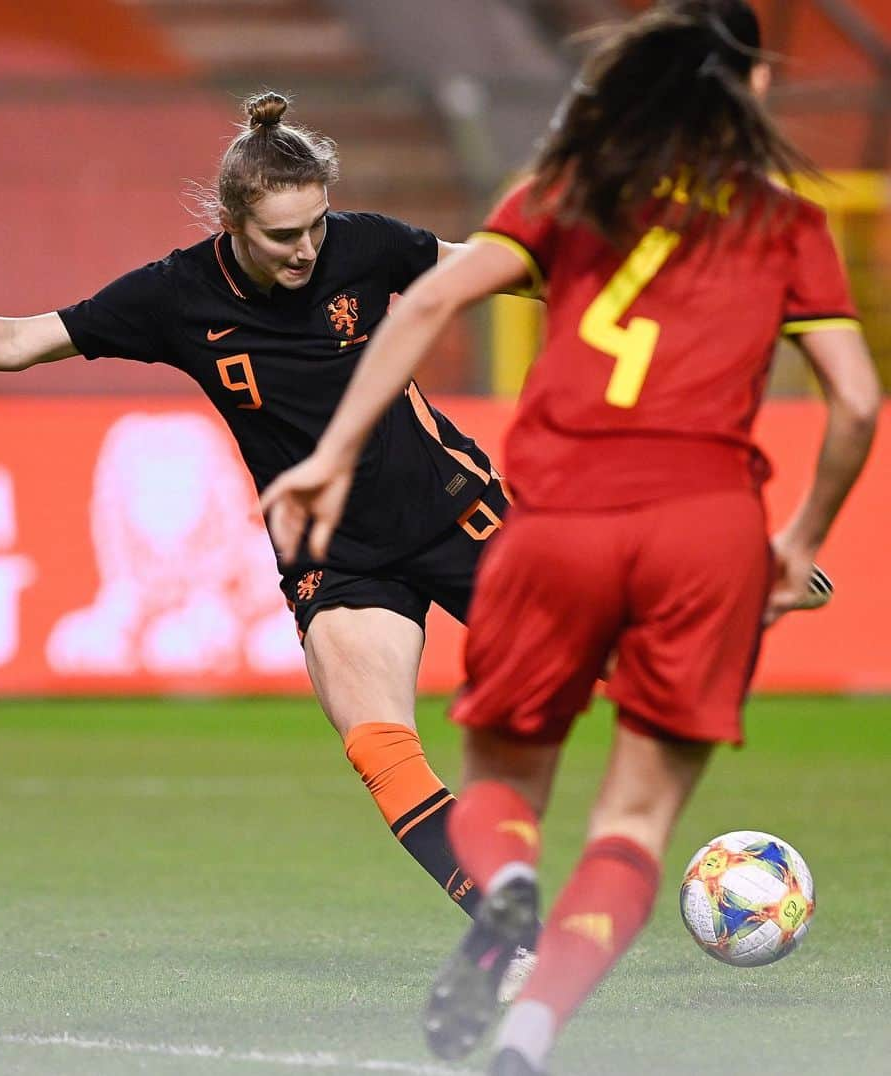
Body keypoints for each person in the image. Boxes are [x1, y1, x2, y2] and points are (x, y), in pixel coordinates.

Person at [258, 3, 880, 1072]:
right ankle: (535, 1033)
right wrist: (797, 535)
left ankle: (502, 889)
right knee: (633, 821)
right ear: (759, 90)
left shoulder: (566, 189)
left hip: (558, 523)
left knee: (503, 776)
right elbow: (859, 404)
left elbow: (424, 304)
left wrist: (327, 452)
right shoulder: (787, 221)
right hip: (705, 532)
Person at [0, 91, 538, 984]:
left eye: (314, 225)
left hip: (453, 510)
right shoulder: (175, 296)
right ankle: (507, 928)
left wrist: (611, 276)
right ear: (233, 222)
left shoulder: (369, 245)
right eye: (282, 235)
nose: (307, 248)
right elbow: (23, 338)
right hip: (333, 555)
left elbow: (489, 267)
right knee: (379, 745)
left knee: (620, 670)